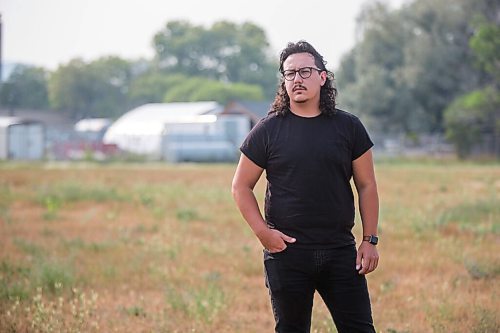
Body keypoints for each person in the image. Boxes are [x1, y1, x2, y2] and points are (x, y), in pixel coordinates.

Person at [231, 40, 379, 333]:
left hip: (340, 251)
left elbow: (367, 185)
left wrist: (370, 240)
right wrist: (263, 233)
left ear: (323, 77)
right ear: (284, 81)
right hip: (287, 254)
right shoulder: (268, 129)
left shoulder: (349, 127)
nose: (297, 79)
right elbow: (240, 187)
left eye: (305, 71)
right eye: (289, 74)